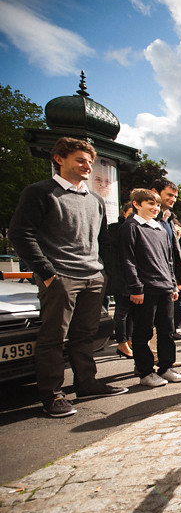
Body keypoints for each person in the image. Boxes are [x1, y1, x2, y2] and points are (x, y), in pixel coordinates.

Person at [9, 137, 127, 417]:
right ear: (59, 159)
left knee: (84, 336)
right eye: (80, 160)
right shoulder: (40, 192)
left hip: (93, 277)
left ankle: (87, 383)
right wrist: (47, 273)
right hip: (60, 277)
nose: (87, 166)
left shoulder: (96, 200)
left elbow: (102, 240)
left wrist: (104, 272)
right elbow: (20, 234)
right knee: (53, 338)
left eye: (90, 161)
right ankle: (52, 395)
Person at [119, 189, 181, 387]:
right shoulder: (130, 227)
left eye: (157, 205)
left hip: (165, 287)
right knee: (143, 332)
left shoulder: (160, 229)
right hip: (145, 289)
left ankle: (166, 368)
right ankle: (146, 372)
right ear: (136, 204)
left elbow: (168, 259)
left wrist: (173, 284)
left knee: (166, 331)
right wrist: (136, 288)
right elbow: (127, 260)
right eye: (150, 204)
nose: (155, 208)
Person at [106, 202, 135, 358]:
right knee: (122, 311)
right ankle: (122, 343)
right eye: (130, 213)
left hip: (132, 277)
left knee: (131, 312)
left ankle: (129, 340)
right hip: (120, 276)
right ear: (123, 213)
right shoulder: (114, 229)